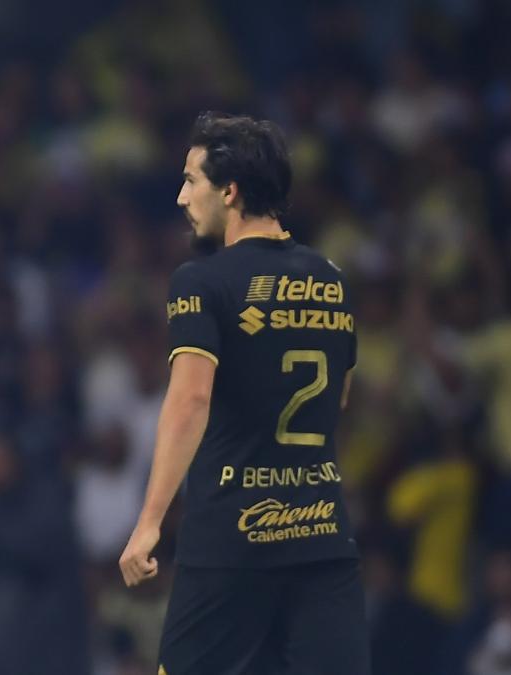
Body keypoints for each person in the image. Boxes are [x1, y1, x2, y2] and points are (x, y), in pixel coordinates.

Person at [118, 112, 368, 674]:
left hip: (233, 539)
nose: (182, 197)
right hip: (323, 538)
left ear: (230, 192)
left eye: (191, 181)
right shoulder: (332, 279)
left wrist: (150, 521)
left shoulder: (201, 281)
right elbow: (341, 400)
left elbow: (190, 401)